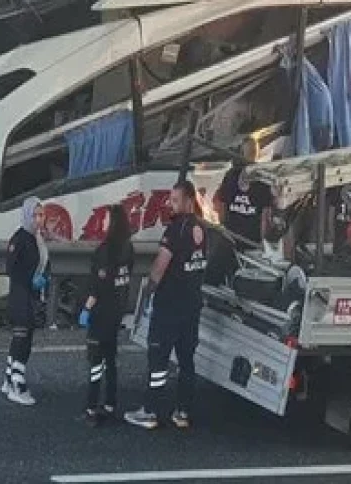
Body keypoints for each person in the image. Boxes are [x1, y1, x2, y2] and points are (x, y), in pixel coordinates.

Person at [125, 180, 207, 431]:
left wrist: (149, 290)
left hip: (170, 305)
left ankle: (150, 411)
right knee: (186, 360)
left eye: (175, 200)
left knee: (158, 359)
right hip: (192, 304)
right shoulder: (202, 229)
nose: (171, 204)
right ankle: (183, 412)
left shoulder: (174, 230)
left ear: (189, 201)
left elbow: (161, 265)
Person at [81, 204, 134, 426]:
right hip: (117, 311)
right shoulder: (128, 248)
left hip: (101, 313)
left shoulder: (104, 251)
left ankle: (92, 407)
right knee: (111, 360)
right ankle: (111, 403)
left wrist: (86, 309)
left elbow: (98, 285)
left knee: (95, 360)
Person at [206, 138, 273, 284]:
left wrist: (261, 244)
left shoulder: (262, 182)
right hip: (234, 238)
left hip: (246, 241)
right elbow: (222, 207)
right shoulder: (233, 177)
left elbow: (264, 217)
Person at [2, 197, 48, 406]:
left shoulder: (37, 239)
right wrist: (31, 278)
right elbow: (11, 268)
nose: (39, 219)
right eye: (35, 215)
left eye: (41, 215)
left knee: (23, 339)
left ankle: (9, 379)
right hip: (21, 297)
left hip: (31, 297)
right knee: (22, 341)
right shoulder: (20, 239)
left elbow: (44, 264)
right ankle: (17, 386)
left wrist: (41, 279)